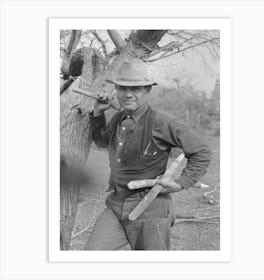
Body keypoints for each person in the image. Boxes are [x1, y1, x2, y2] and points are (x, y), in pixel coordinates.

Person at [85, 58, 212, 250]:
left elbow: (202, 152)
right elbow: (102, 142)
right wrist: (97, 112)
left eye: (135, 89)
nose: (127, 94)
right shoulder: (119, 118)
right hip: (116, 204)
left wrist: (180, 184)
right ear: (116, 90)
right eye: (122, 88)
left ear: (148, 91)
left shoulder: (162, 122)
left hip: (151, 208)